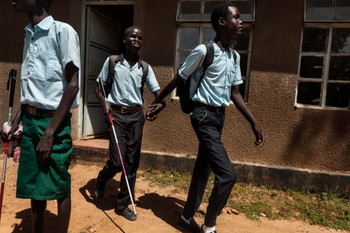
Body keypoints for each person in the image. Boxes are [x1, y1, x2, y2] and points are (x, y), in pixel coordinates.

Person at [146, 3, 264, 233]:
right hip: (202, 116)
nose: (241, 22)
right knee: (228, 175)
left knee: (204, 168)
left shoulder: (234, 57)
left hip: (219, 118)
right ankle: (209, 225)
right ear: (222, 22)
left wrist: (254, 122)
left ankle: (187, 215)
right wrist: (159, 101)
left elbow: (235, 93)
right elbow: (179, 79)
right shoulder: (203, 51)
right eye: (236, 17)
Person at [1, 0, 80, 233]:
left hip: (53, 123)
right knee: (35, 186)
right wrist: (15, 123)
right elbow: (30, 92)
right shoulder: (28, 34)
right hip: (31, 121)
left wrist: (49, 133)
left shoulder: (62, 31)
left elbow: (73, 85)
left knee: (58, 184)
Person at [94, 26, 165, 221]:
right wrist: (104, 104)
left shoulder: (145, 68)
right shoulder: (112, 62)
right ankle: (102, 178)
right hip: (115, 115)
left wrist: (161, 104)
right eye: (133, 36)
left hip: (136, 117)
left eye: (140, 37)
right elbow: (99, 87)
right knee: (117, 161)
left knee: (131, 163)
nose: (136, 39)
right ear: (124, 39)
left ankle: (122, 204)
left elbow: (158, 93)